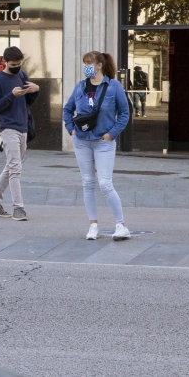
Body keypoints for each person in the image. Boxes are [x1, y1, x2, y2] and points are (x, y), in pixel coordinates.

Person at [62, 51, 131, 241]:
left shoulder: (114, 86)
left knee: (105, 183)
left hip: (103, 142)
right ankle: (93, 225)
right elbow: (67, 109)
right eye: (84, 63)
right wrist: (71, 130)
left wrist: (112, 134)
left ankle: (121, 225)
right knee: (87, 183)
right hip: (82, 140)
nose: (87, 66)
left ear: (99, 65)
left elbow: (125, 113)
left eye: (89, 62)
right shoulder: (80, 87)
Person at [0, 46, 40, 221]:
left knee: (11, 166)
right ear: (5, 62)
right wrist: (11, 95)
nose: (17, 66)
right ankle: (18, 208)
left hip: (23, 127)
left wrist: (36, 90)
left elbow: (29, 101)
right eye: (14, 64)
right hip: (8, 127)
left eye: (19, 63)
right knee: (16, 168)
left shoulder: (22, 76)